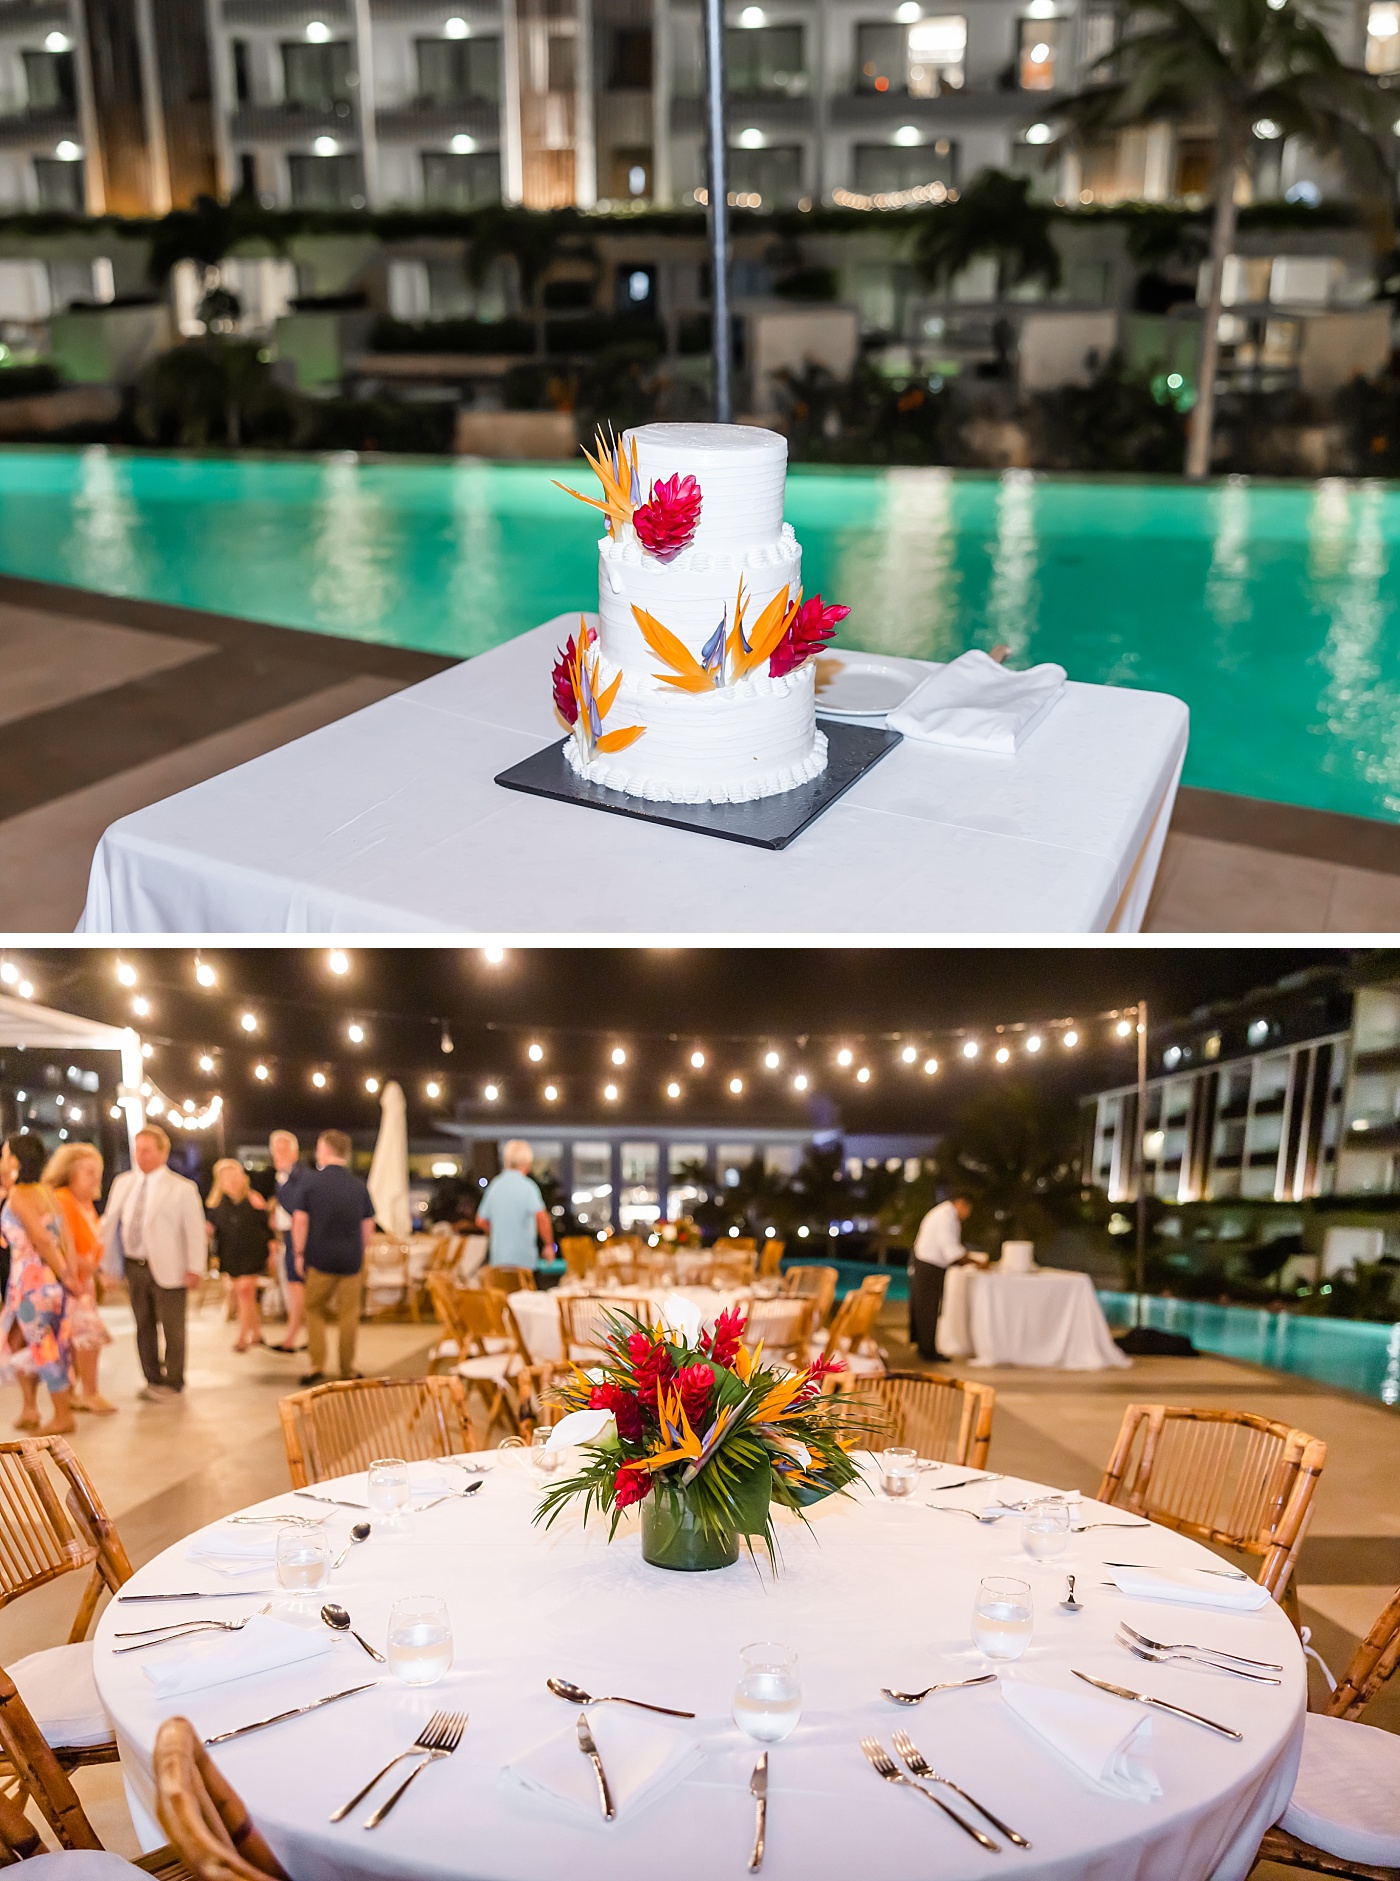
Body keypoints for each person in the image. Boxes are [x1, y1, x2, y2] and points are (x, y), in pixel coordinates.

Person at [100, 1124, 206, 1401]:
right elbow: (110, 1226)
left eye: (146, 1150)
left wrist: (195, 1267)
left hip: (170, 1266)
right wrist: (107, 1266)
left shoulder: (181, 1188)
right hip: (135, 1265)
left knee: (172, 1325)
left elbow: (194, 1231)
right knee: (143, 1323)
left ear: (163, 1152)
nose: (140, 1156)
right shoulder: (123, 1183)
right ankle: (151, 1377)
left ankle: (174, 1380)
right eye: (137, 1149)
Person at [0, 1134, 75, 1434]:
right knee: (19, 1341)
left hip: (31, 1284)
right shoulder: (45, 1192)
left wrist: (67, 1275)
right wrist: (66, 1274)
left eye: (5, 1155)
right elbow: (64, 1236)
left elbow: (42, 1240)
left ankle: (63, 1415)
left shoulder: (19, 1195)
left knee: (45, 1348)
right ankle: (31, 1408)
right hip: (44, 1282)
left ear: (16, 1160)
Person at [292, 1131, 375, 1387]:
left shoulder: (311, 1183)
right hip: (351, 1260)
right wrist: (360, 1249)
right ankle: (347, 1367)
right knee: (348, 1314)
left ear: (325, 1149)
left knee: (313, 1309)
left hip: (320, 1258)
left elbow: (300, 1220)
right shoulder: (358, 1186)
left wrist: (298, 1252)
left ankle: (317, 1363)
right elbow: (368, 1224)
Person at [46, 1142, 115, 1416]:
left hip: (83, 1280)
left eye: (97, 1171)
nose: (95, 1177)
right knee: (89, 1337)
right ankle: (90, 1393)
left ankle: (77, 1393)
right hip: (70, 1281)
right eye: (88, 1171)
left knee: (74, 1341)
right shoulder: (62, 1199)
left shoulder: (83, 1203)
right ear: (70, 1172)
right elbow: (65, 1245)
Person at [206, 1159, 275, 1353]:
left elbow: (266, 1228)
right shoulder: (218, 1202)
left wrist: (272, 1251)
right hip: (230, 1253)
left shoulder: (253, 1199)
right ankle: (256, 1333)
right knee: (244, 1294)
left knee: (245, 1291)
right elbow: (213, 1229)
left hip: (252, 1252)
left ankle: (242, 1337)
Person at [909, 1192, 977, 1363]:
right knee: (928, 1307)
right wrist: (974, 1262)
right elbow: (950, 1250)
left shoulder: (944, 1214)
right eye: (967, 1210)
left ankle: (924, 1346)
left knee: (924, 1306)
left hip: (928, 1263)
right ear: (961, 1204)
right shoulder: (945, 1218)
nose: (967, 1215)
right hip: (928, 1265)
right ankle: (927, 1350)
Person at [267, 1130, 313, 1354]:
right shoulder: (283, 1177)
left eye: (283, 1149)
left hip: (299, 1238)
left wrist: (298, 1249)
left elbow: (299, 1209)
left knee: (297, 1286)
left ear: (294, 1151)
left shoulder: (299, 1176)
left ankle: (295, 1335)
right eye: (275, 1150)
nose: (278, 1154)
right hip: (287, 1235)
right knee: (293, 1287)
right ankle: (295, 1333)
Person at [476, 1141, 555, 1271]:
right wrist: (548, 1245)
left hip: (499, 1260)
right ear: (527, 1162)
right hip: (523, 1260)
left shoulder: (495, 1185)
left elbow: (481, 1221)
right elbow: (541, 1217)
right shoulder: (528, 1186)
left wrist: (498, 1235)